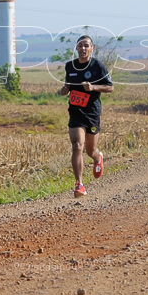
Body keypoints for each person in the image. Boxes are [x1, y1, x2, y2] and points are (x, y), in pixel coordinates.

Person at [59, 35, 113, 196]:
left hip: (92, 112)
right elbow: (68, 84)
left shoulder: (98, 66)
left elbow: (110, 88)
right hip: (75, 111)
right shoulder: (70, 66)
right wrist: (65, 90)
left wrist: (93, 87)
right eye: (80, 45)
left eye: (86, 46)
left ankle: (98, 158)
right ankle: (79, 184)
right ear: (76, 48)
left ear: (91, 49)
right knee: (77, 146)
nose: (83, 48)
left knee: (91, 150)